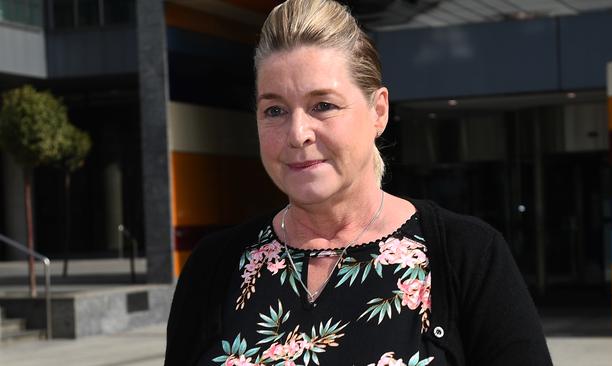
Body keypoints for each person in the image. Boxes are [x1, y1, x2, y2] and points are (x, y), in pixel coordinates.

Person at [164, 0, 553, 365]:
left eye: (323, 106)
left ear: (378, 111)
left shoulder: (466, 256)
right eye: (275, 110)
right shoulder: (215, 268)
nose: (298, 133)